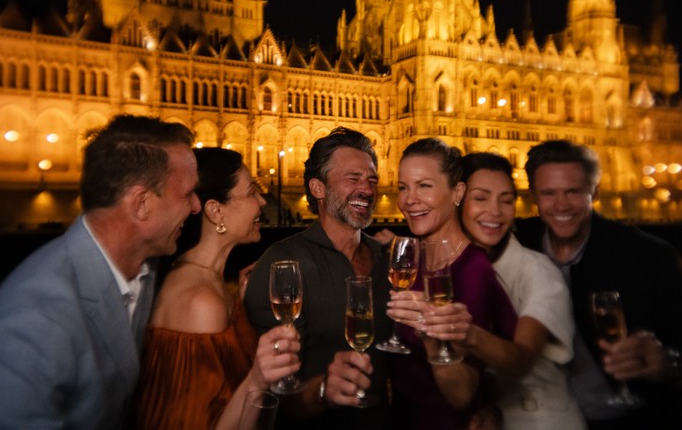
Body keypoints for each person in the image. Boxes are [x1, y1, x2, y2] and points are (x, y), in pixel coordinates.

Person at [0, 114, 201, 428]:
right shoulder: (26, 331)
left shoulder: (142, 266)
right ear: (141, 204)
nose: (196, 206)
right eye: (187, 193)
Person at [516, 139, 682, 429]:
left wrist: (668, 363)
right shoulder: (517, 244)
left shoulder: (646, 256)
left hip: (639, 420)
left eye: (573, 191)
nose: (561, 204)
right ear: (534, 196)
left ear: (595, 192)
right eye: (549, 193)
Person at [135, 147, 301, 428]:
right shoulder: (201, 302)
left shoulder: (207, 282)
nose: (262, 201)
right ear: (215, 211)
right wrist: (257, 379)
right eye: (252, 192)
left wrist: (239, 306)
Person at [243, 127, 393, 429]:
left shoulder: (387, 259)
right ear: (318, 188)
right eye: (353, 178)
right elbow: (271, 388)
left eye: (372, 180)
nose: (366, 190)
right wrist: (324, 389)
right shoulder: (283, 261)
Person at [386, 138, 517, 430]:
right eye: (403, 187)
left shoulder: (474, 270)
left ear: (457, 193)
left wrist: (431, 335)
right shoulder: (410, 260)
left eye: (424, 186)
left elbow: (462, 394)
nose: (409, 199)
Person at [458, 151, 584, 429]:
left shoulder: (540, 272)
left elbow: (521, 362)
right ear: (458, 201)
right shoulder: (456, 269)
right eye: (481, 198)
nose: (495, 211)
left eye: (506, 200)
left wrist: (459, 330)